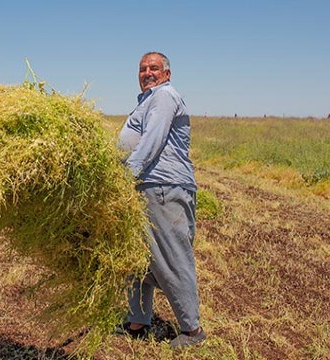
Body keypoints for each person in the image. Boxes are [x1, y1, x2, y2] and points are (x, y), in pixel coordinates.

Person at [115, 51, 206, 348]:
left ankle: (192, 331)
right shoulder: (148, 101)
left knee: (171, 255)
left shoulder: (164, 97)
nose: (147, 73)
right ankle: (138, 320)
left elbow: (152, 141)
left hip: (163, 186)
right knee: (137, 257)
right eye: (142, 69)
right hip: (146, 187)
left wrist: (125, 175)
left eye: (154, 68)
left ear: (167, 73)